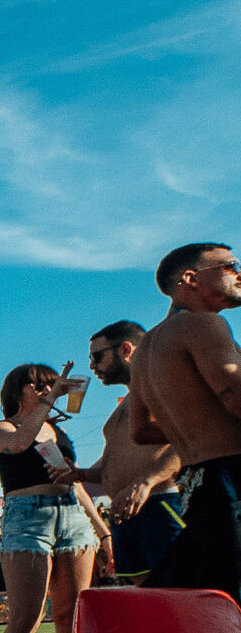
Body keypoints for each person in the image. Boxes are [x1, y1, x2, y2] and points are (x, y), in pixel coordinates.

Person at [126, 241, 241, 602]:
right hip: (232, 479)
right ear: (191, 279)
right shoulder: (203, 323)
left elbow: (141, 430)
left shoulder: (146, 348)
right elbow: (236, 399)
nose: (239, 274)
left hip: (197, 484)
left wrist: (197, 425)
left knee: (217, 603)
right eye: (229, 267)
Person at [0, 362, 97, 633]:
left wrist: (102, 529)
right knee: (26, 617)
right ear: (17, 390)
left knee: (70, 615)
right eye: (39, 386)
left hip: (72, 515)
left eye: (51, 385)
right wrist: (47, 404)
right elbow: (19, 444)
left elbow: (75, 484)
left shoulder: (57, 431)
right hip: (27, 517)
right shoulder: (1, 427)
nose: (48, 391)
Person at [79, 321, 184, 585]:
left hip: (158, 503)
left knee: (179, 590)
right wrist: (79, 474)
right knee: (149, 597)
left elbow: (191, 439)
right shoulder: (128, 402)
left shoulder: (164, 385)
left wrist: (147, 482)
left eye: (97, 356)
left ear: (126, 349)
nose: (92, 366)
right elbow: (117, 464)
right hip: (125, 512)